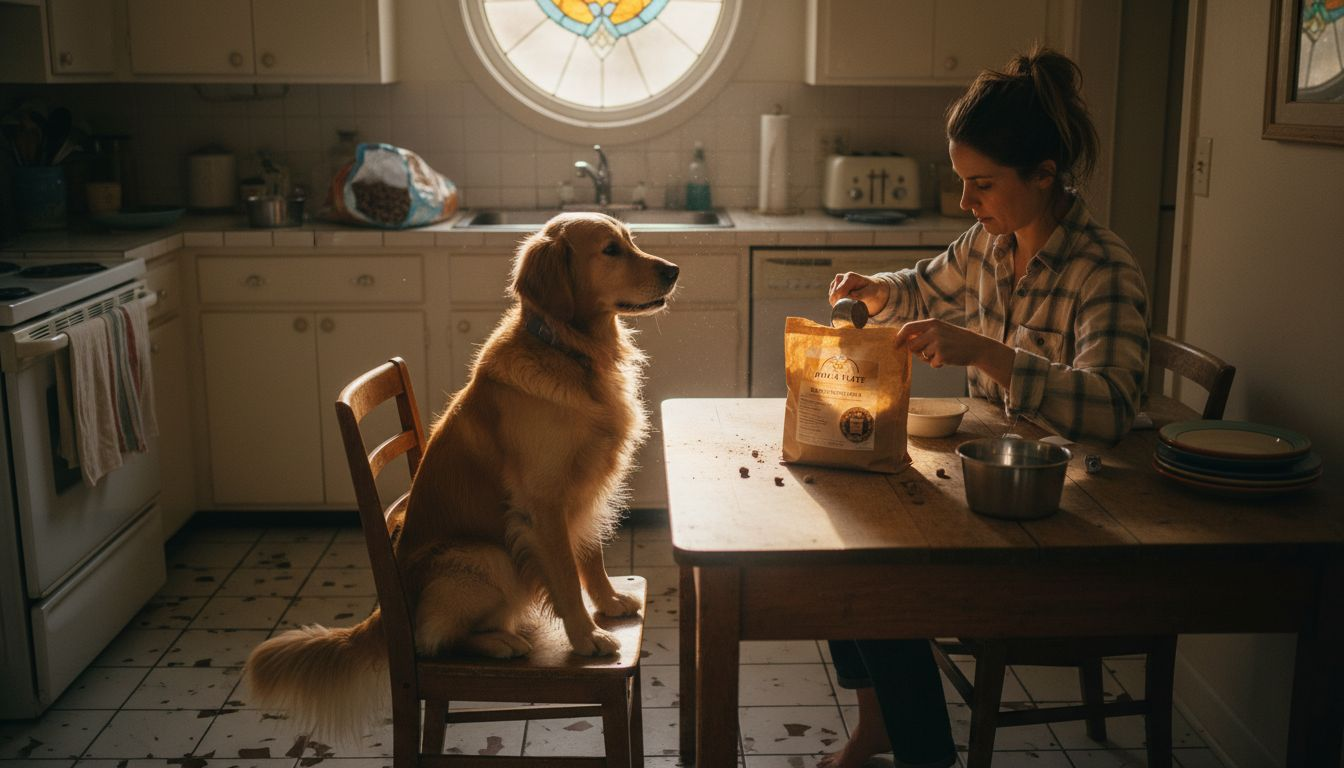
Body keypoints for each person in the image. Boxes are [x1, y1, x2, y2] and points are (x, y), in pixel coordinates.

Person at [819, 46, 1151, 768]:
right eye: (962, 182)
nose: (966, 202)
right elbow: (924, 284)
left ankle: (923, 756)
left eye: (981, 185)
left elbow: (1114, 409)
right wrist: (877, 288)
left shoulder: (1105, 271)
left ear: (1045, 176)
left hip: (1071, 522)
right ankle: (880, 726)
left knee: (878, 595)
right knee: (840, 555)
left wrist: (984, 353)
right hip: (991, 492)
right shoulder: (990, 243)